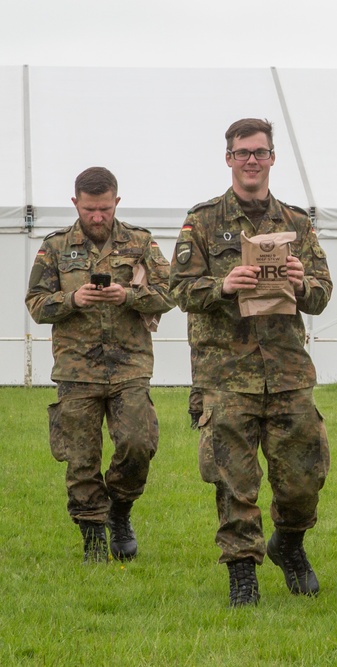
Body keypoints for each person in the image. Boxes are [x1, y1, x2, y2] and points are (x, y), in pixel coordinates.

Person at [169, 118, 332, 607]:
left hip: (287, 372)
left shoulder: (297, 223)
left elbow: (323, 293)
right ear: (229, 159)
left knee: (304, 478)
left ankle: (290, 544)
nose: (251, 161)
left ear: (272, 158)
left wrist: (303, 284)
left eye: (260, 152)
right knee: (233, 481)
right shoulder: (201, 222)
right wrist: (223, 286)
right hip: (226, 376)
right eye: (242, 153)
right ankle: (243, 573)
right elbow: (177, 290)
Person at [25, 167, 174, 563]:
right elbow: (36, 304)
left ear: (116, 203)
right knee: (81, 456)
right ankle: (92, 532)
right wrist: (74, 300)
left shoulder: (140, 242)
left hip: (129, 365)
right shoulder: (55, 248)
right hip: (77, 369)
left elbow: (170, 292)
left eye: (104, 209)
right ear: (75, 203)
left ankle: (120, 511)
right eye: (90, 209)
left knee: (137, 444)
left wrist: (127, 295)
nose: (97, 217)